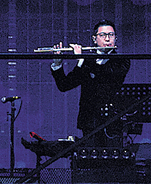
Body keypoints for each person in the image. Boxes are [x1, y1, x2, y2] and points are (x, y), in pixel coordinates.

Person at [50, 20, 131, 148]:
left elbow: (106, 74)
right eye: (103, 35)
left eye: (111, 35)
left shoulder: (122, 60)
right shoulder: (87, 61)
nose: (107, 39)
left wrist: (81, 60)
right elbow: (64, 85)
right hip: (89, 120)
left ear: (115, 38)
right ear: (94, 39)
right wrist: (57, 64)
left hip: (113, 121)